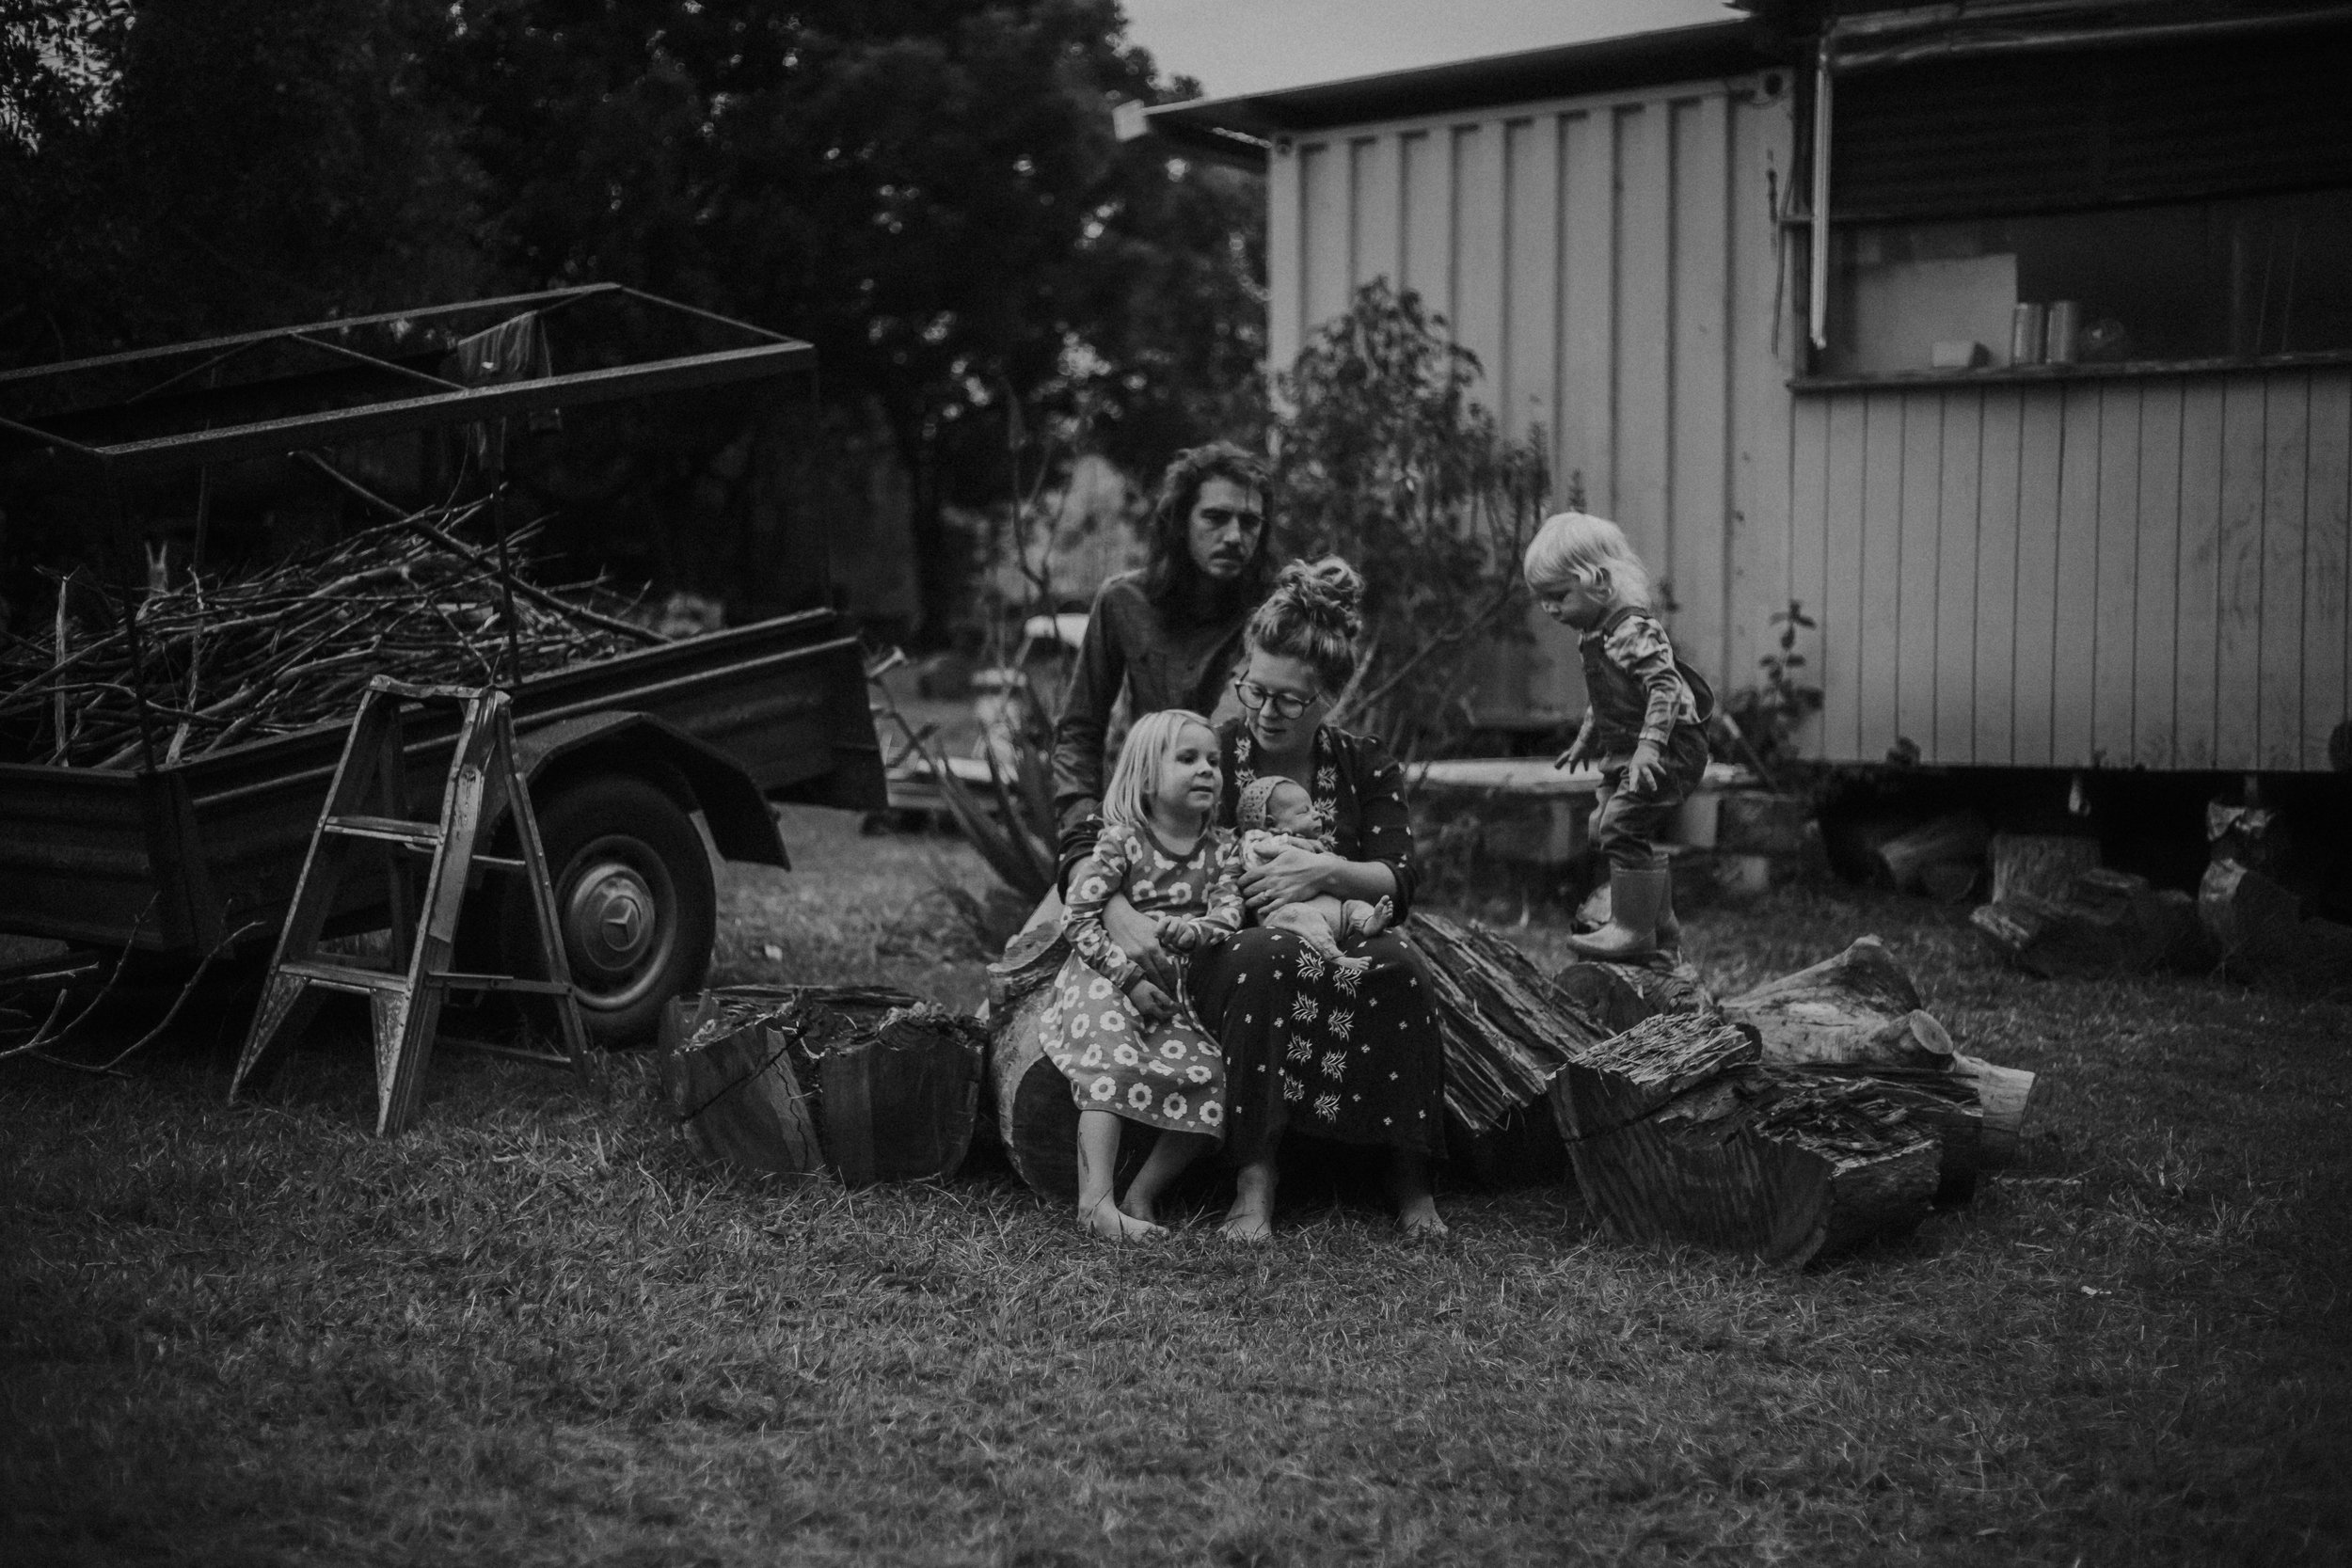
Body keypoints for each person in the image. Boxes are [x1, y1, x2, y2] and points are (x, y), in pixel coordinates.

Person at [1172, 557, 1450, 1243]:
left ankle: (1410, 1174)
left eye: (1289, 699)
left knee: (1403, 967)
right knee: (1268, 958)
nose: (1265, 711)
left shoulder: (1362, 763)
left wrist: (1320, 870)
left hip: (1341, 924)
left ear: (1329, 696)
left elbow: (1399, 877)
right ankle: (1254, 1179)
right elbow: (1170, 841)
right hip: (1231, 936)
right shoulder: (1216, 750)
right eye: (1253, 690)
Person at [1043, 708, 1246, 1241]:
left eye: (1213, 761)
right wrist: (1127, 977)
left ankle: (1143, 1192)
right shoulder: (1121, 841)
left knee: (1213, 1075)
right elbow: (1078, 918)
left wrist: (1196, 931)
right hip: (1107, 979)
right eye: (1188, 759)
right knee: (1109, 1055)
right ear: (1147, 777)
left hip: (1175, 992)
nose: (1207, 770)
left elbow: (1229, 914)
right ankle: (1097, 1204)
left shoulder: (1222, 849)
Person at [1051, 442, 1275, 899]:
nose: (1235, 536)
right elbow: (1078, 733)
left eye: (1250, 522)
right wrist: (1081, 846)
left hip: (1241, 848)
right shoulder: (1122, 604)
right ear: (1180, 523)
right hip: (1138, 834)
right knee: (1037, 957)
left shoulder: (1274, 613)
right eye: (1215, 518)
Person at [1526, 511, 1710, 959]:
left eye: (1558, 595)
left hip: (1668, 746)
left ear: (1599, 581)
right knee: (1604, 825)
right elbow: (1608, 695)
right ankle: (1658, 924)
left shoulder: (1632, 630)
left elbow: (1665, 686)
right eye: (1542, 599)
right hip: (1625, 746)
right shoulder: (1595, 634)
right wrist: (1587, 738)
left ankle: (1632, 928)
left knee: (1621, 824)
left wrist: (1650, 747)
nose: (1550, 609)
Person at [1234, 775, 1390, 956]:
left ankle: (1368, 922)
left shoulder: (1315, 844)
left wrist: (1331, 861)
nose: (1317, 814)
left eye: (1314, 809)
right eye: (1304, 812)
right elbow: (1252, 854)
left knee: (1354, 905)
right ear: (1270, 823)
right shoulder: (1257, 839)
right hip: (1293, 920)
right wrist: (1287, 839)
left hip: (1336, 914)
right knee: (1301, 916)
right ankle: (1333, 955)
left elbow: (1336, 869)